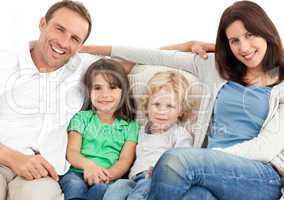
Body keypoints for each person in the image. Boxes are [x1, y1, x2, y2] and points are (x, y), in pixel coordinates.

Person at [81, 1, 284, 199]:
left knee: (173, 160)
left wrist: (203, 158)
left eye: (250, 35)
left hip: (260, 175)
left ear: (266, 32)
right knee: (195, 196)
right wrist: (95, 49)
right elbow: (157, 56)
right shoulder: (216, 67)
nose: (244, 47)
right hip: (207, 170)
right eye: (234, 41)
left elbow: (265, 148)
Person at [0, 1, 120, 200]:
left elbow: (140, 58)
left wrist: (186, 47)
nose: (64, 43)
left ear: (81, 45)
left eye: (75, 38)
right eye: (60, 29)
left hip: (44, 173)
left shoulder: (86, 68)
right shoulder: (5, 61)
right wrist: (12, 158)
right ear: (42, 24)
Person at [102, 71, 194, 200]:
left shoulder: (179, 133)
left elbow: (185, 161)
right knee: (117, 187)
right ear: (146, 106)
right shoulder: (139, 130)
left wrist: (162, 170)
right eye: (156, 104)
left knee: (142, 191)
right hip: (133, 179)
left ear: (181, 111)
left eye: (170, 106)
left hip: (157, 179)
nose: (162, 111)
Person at [59, 58, 139, 200]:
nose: (104, 94)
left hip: (108, 176)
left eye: (112, 87)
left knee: (102, 190)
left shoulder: (130, 125)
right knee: (74, 184)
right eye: (97, 88)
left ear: (123, 90)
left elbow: (125, 160)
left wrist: (107, 175)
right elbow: (72, 152)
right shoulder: (81, 118)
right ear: (89, 91)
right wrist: (89, 166)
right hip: (78, 172)